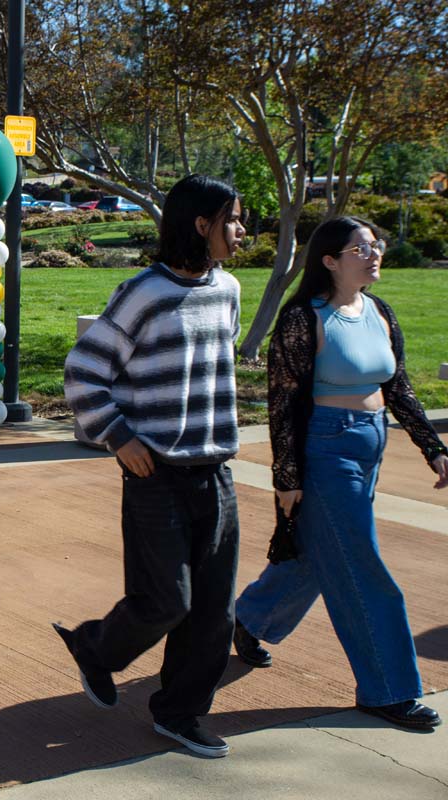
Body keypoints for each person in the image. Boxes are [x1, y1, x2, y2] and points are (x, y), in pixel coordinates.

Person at [56, 174, 244, 758]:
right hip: (154, 475)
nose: (242, 230)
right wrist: (119, 437)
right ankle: (95, 648)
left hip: (215, 471)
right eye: (233, 219)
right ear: (201, 225)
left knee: (214, 612)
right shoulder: (143, 293)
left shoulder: (228, 289)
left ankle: (179, 714)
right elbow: (84, 372)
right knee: (166, 602)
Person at [233, 216, 446, 731]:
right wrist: (287, 478)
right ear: (329, 261)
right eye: (361, 249)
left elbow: (398, 387)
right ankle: (388, 689)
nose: (374, 255)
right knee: (361, 567)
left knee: (320, 552)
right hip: (326, 451)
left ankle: (249, 618)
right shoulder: (304, 319)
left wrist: (433, 448)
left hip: (370, 444)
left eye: (376, 245)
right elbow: (283, 405)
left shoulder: (378, 311)